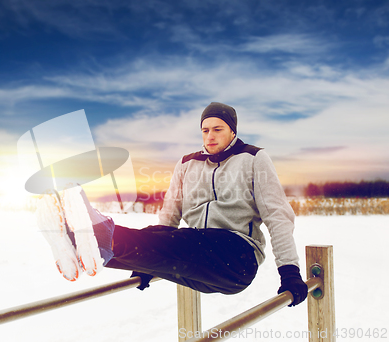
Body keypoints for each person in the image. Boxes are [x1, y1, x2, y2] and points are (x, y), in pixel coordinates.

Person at [36, 102, 308, 307]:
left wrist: (290, 272)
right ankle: (78, 240)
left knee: (177, 242)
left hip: (236, 257)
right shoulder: (187, 163)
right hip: (195, 257)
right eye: (205, 130)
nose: (210, 136)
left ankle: (99, 231)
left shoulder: (253, 159)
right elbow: (169, 216)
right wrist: (147, 261)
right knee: (155, 238)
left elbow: (277, 216)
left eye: (217, 129)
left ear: (232, 131)